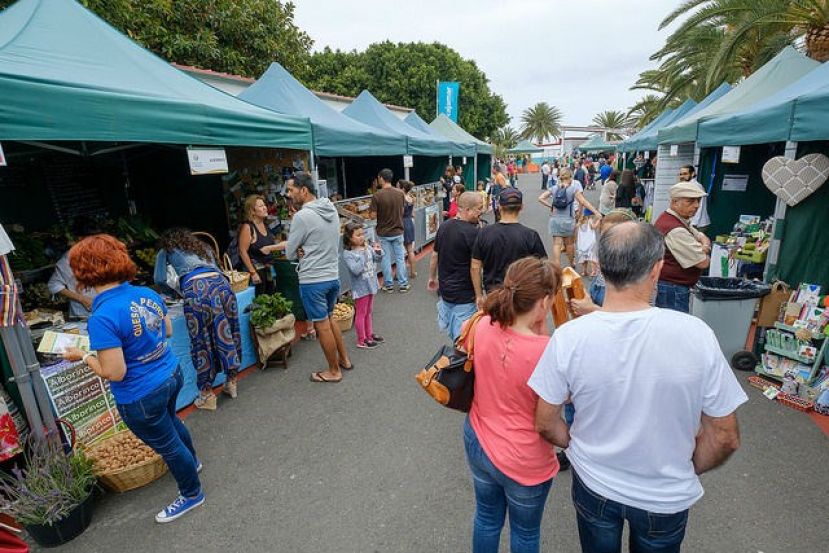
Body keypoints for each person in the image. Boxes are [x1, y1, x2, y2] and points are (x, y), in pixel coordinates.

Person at [531, 222, 747, 553]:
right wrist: (688, 467)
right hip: (665, 495)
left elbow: (545, 421)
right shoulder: (695, 335)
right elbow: (725, 436)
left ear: (601, 268)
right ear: (657, 267)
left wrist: (574, 444)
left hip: (594, 481)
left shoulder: (569, 337)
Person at [62, 234, 204, 523]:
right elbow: (164, 331)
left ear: (84, 272)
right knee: (172, 423)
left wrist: (84, 356)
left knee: (168, 444)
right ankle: (193, 464)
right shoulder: (146, 294)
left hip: (140, 394)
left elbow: (114, 372)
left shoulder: (102, 316)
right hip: (170, 373)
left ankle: (191, 493)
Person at [464, 257, 562, 553]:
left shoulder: (482, 324)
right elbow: (557, 407)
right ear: (544, 301)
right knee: (526, 532)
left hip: (479, 436)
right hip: (524, 456)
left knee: (486, 518)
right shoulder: (549, 352)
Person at [275, 172, 353, 383]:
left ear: (304, 190)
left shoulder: (302, 216)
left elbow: (290, 252)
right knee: (329, 318)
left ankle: (333, 371)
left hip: (313, 279)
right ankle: (344, 360)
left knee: (321, 325)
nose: (289, 195)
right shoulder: (330, 209)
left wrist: (299, 245)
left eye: (291, 190)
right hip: (332, 276)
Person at [153, 229, 241, 410]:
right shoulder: (203, 246)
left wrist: (176, 294)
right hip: (222, 285)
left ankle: (207, 394)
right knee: (229, 332)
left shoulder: (166, 250)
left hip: (197, 290)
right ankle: (231, 381)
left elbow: (159, 279)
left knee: (202, 342)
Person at [471, 188, 547, 308]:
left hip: (493, 294)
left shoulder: (484, 233)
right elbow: (542, 267)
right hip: (521, 295)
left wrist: (479, 295)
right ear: (521, 207)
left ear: (500, 207)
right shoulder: (530, 235)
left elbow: (475, 267)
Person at [428, 192, 483, 341]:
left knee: (454, 332)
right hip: (465, 293)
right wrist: (479, 294)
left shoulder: (444, 227)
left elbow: (434, 255)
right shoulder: (474, 233)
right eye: (478, 208)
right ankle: (461, 361)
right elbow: (476, 267)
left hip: (446, 290)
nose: (481, 211)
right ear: (467, 210)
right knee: (464, 337)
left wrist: (432, 277)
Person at [653, 181, 711, 313]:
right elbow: (703, 262)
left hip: (672, 287)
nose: (696, 205)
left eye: (698, 201)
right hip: (673, 288)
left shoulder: (676, 220)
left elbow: (701, 235)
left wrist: (703, 244)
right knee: (674, 328)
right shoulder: (676, 228)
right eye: (690, 201)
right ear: (674, 202)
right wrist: (704, 247)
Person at [538, 167, 601, 268]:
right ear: (570, 177)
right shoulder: (573, 189)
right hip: (568, 220)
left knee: (557, 244)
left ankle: (557, 264)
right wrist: (596, 212)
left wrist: (551, 206)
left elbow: (540, 198)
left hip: (555, 220)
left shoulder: (554, 188)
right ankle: (571, 263)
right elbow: (583, 201)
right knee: (569, 244)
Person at [342, 223, 384, 350]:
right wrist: (364, 254)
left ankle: (369, 334)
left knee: (369, 311)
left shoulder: (367, 248)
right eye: (358, 235)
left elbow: (378, 259)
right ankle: (362, 340)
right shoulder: (348, 254)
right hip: (361, 288)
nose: (362, 237)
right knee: (361, 313)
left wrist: (378, 251)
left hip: (371, 284)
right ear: (349, 238)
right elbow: (356, 270)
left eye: (363, 234)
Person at [48, 218, 100, 319]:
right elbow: (53, 285)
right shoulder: (69, 259)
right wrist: (82, 299)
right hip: (84, 315)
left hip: (107, 309)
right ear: (80, 239)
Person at [370, 169, 410, 293]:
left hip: (383, 233)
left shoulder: (377, 195)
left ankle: (388, 285)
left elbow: (372, 216)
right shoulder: (399, 193)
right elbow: (402, 212)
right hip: (398, 231)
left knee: (385, 259)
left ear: (381, 178)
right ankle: (403, 284)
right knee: (400, 258)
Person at [238, 194, 278, 294]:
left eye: (264, 205)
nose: (265, 208)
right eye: (260, 206)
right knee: (260, 302)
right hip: (257, 272)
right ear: (252, 211)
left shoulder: (265, 225)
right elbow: (242, 251)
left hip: (268, 271)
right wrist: (253, 273)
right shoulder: (248, 227)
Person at [679, 164, 711, 230]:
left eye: (685, 174)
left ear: (693, 174)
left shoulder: (695, 186)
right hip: (693, 223)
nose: (682, 176)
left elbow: (699, 206)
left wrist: (693, 224)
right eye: (681, 174)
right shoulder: (687, 185)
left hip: (697, 224)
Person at [400, 180, 417, 279]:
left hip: (403, 223)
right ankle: (413, 272)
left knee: (400, 252)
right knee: (410, 250)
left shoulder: (402, 200)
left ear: (402, 188)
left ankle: (400, 274)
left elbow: (401, 213)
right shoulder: (411, 198)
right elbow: (412, 213)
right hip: (409, 222)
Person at [575, 210, 599, 277]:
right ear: (591, 215)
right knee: (592, 256)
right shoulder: (590, 220)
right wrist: (599, 221)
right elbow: (593, 227)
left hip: (582, 243)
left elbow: (576, 227)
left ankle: (584, 271)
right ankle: (593, 271)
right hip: (590, 241)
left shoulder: (580, 221)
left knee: (584, 257)